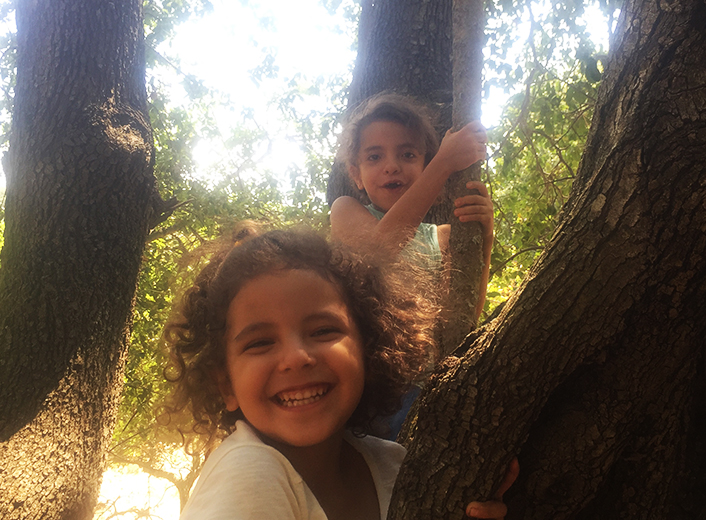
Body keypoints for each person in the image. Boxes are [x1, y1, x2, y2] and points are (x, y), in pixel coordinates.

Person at [163, 224, 516, 520]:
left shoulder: (392, 464)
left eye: (322, 331)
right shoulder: (248, 474)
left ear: (369, 347)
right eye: (259, 343)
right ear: (225, 383)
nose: (296, 357)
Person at [330, 93, 494, 322]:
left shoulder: (444, 238)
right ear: (356, 175)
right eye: (374, 157)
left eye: (407, 155)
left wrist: (485, 238)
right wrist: (444, 163)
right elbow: (375, 253)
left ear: (424, 165)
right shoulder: (344, 210)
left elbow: (460, 318)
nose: (391, 166)